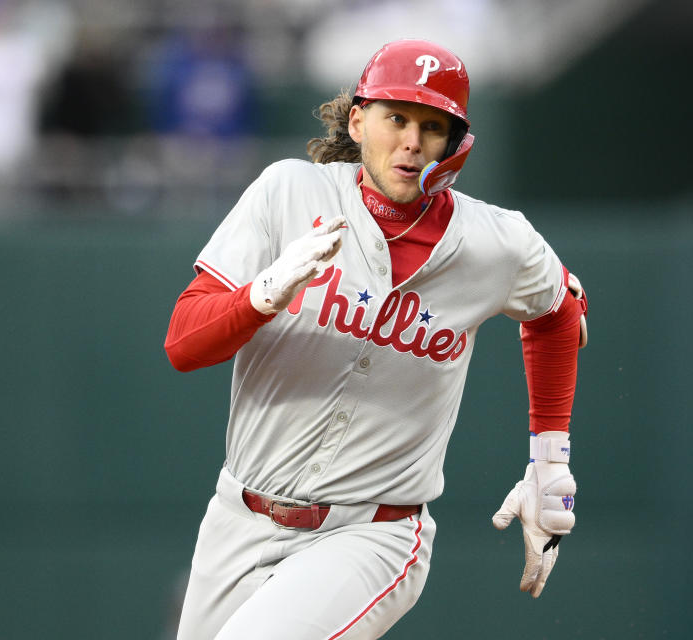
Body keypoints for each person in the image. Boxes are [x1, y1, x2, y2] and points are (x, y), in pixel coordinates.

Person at [164, 38, 588, 640]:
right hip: (239, 514)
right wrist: (262, 294)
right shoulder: (289, 193)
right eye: (397, 118)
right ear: (359, 121)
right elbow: (183, 344)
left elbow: (559, 311)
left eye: (432, 126)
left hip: (371, 533)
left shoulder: (497, 242)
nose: (412, 141)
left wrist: (550, 457)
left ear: (455, 143)